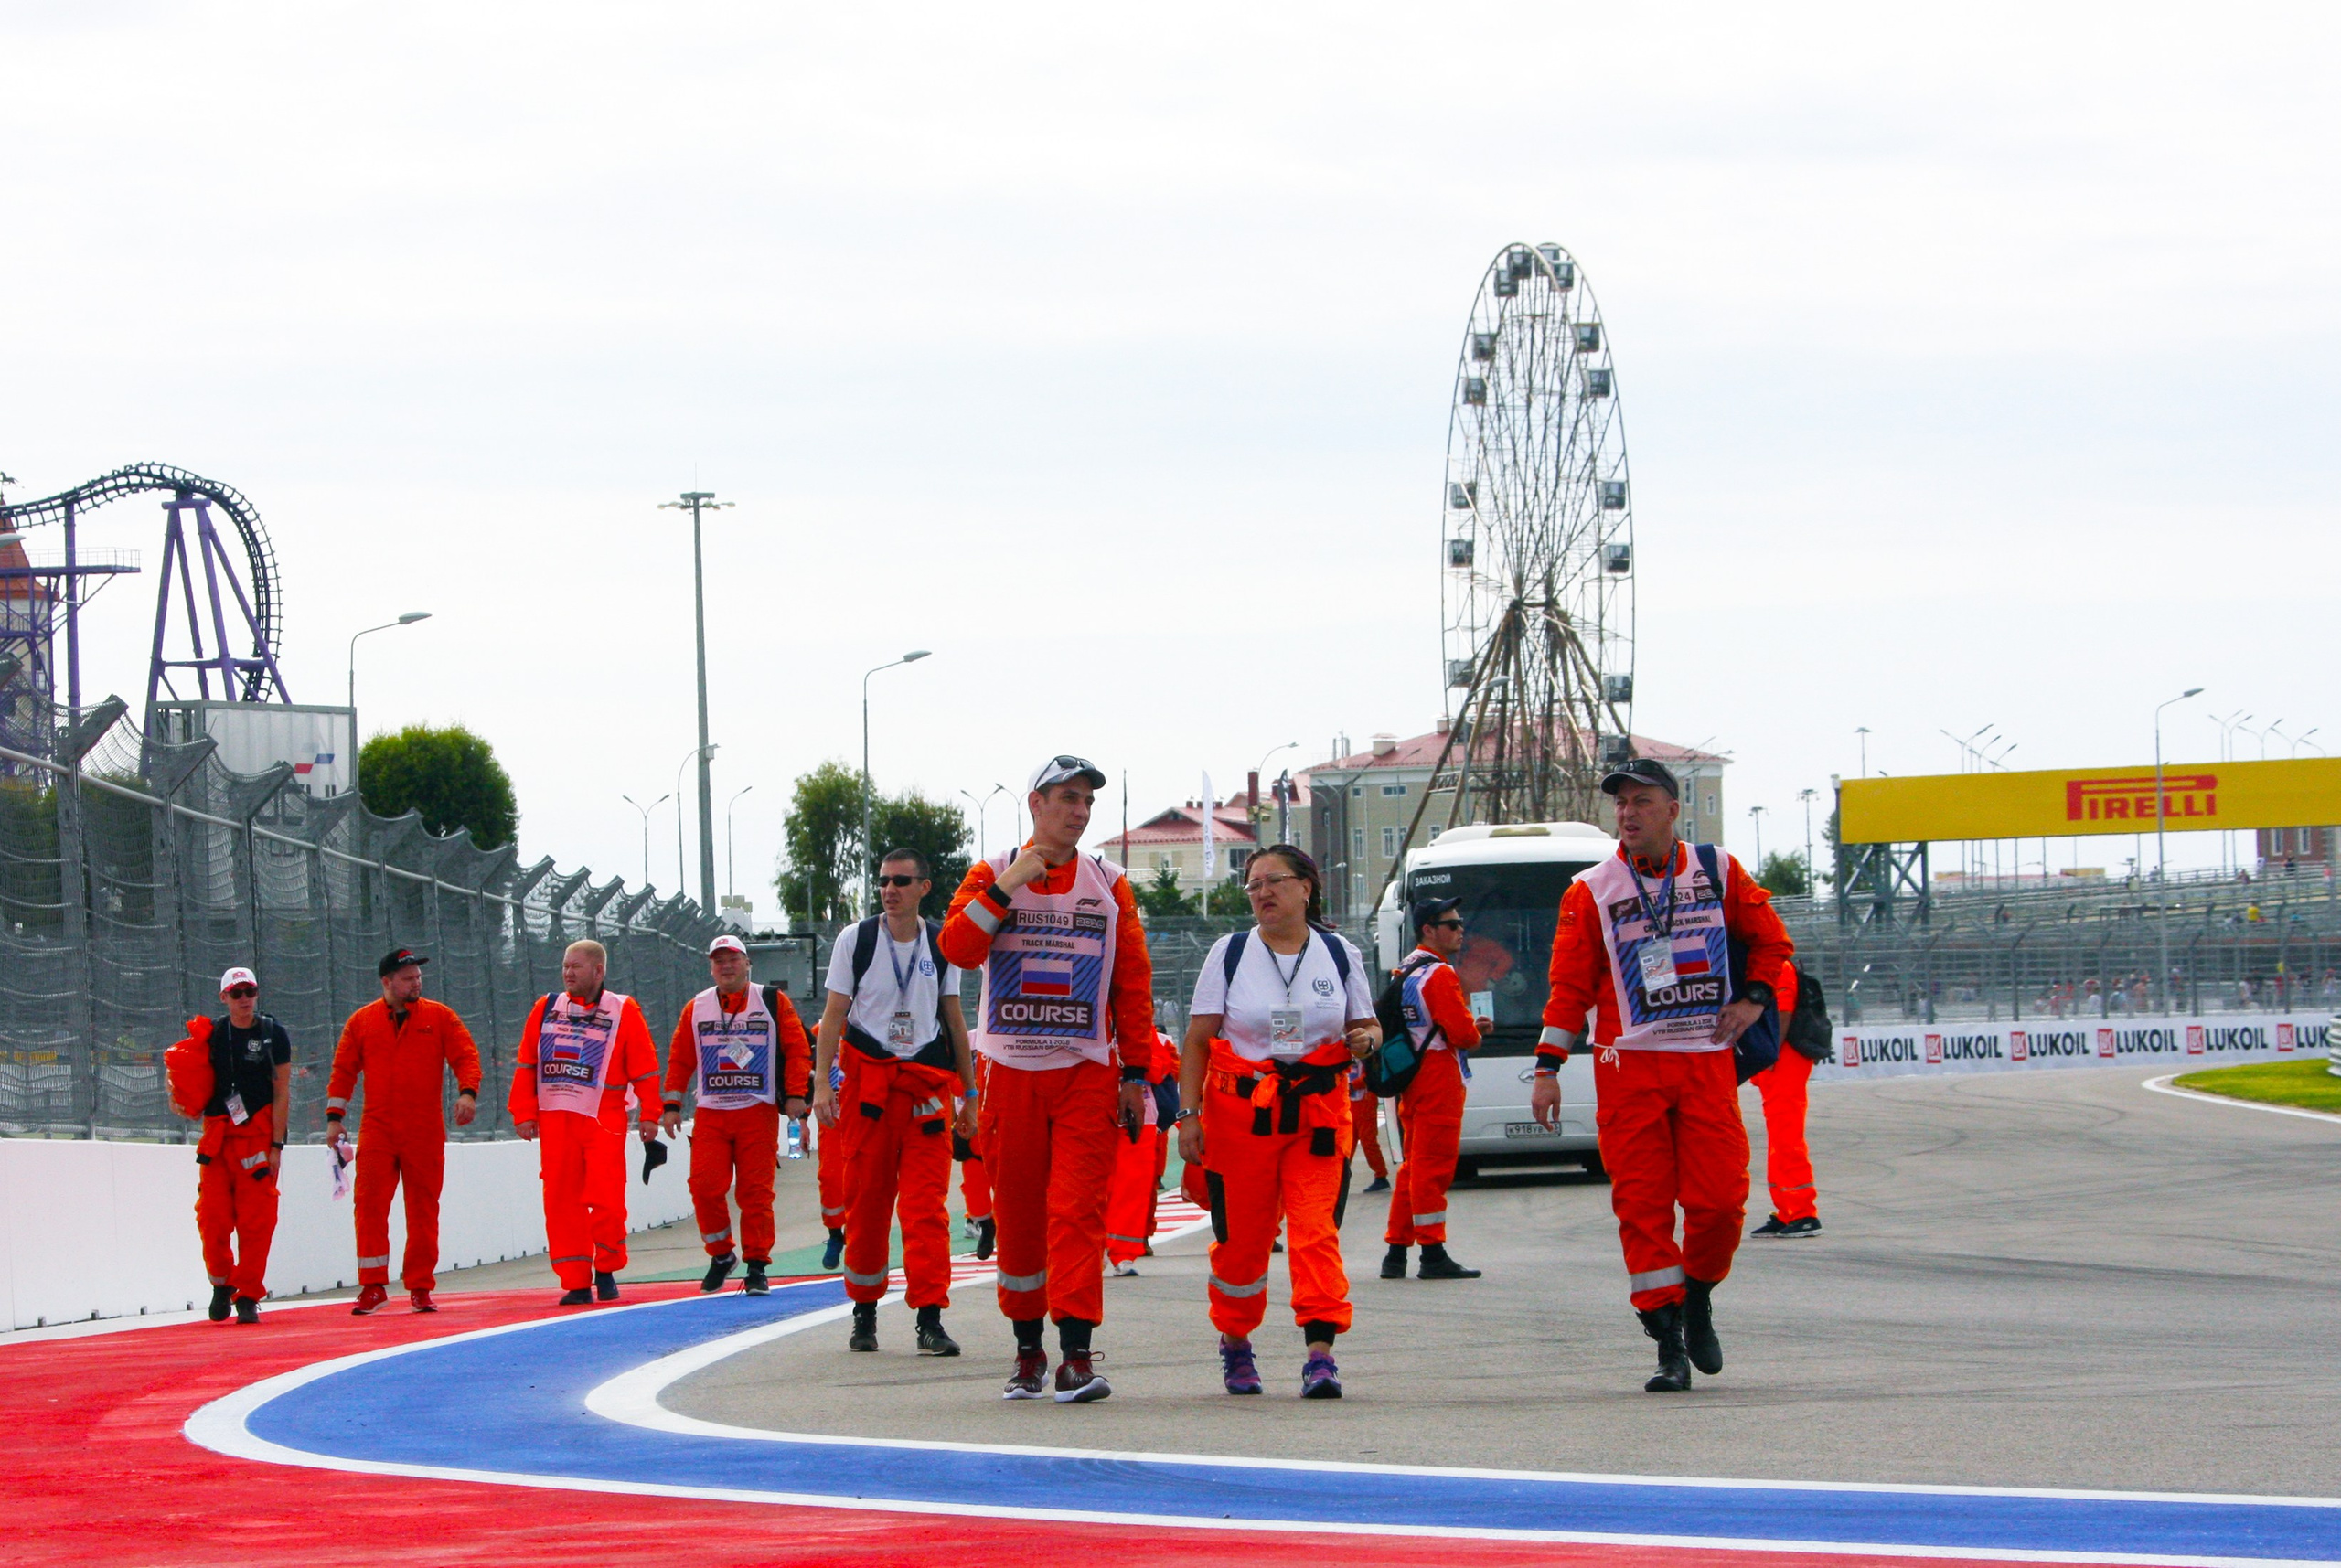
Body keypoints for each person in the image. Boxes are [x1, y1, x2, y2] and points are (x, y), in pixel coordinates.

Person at [1530, 757, 1791, 1393]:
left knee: (1721, 1202)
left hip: (1705, 1061)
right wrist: (1548, 1066)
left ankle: (1698, 1293)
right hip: (1628, 1068)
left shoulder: (1719, 869)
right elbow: (1568, 988)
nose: (1628, 813)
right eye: (1620, 804)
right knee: (1642, 1210)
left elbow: (1773, 944)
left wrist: (1753, 997)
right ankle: (1667, 1341)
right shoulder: (1589, 889)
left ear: (1673, 811)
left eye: (1642, 801)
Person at [940, 754, 1157, 1403]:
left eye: (1087, 801)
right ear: (1035, 803)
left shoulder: (1111, 882)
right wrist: (1006, 887)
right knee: (1021, 1216)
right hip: (1009, 1071)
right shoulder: (990, 871)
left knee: (1078, 1213)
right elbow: (955, 949)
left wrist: (1137, 1073)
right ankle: (1027, 1352)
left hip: (1087, 1073)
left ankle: (1077, 1355)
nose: (1080, 811)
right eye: (1068, 798)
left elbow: (1133, 983)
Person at [1179, 845, 1379, 1399]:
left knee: (1316, 1232)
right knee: (1242, 1244)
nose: (1262, 892)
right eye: (1253, 884)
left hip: (1317, 1116)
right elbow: (1197, 1040)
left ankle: (1320, 1356)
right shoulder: (1230, 952)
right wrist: (1188, 1116)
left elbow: (1367, 1025)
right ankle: (1236, 1342)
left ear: (1306, 889)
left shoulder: (1340, 953)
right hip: (1240, 1118)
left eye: (1274, 881)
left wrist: (1366, 1039)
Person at [813, 848, 978, 1356]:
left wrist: (969, 1095)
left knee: (927, 1210)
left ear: (924, 887)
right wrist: (821, 1085)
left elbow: (953, 1021)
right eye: (883, 880)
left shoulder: (942, 944)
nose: (890, 889)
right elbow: (835, 1015)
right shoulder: (855, 940)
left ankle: (930, 1317)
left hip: (925, 1090)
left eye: (902, 880)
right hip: (867, 1091)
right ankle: (864, 1312)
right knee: (866, 1205)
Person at [326, 948, 483, 1315]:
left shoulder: (439, 1016)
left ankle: (420, 1286)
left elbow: (466, 1055)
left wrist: (467, 1093)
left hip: (424, 1127)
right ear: (387, 982)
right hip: (377, 1126)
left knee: (423, 1209)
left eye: (418, 977)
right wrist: (335, 1116)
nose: (416, 983)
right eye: (408, 978)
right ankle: (373, 1286)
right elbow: (343, 1070)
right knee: (369, 1206)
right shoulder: (362, 1022)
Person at [509, 940, 663, 1305]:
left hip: (603, 1119)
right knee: (561, 1200)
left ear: (598, 970)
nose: (568, 973)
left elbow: (645, 1067)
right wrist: (524, 1112)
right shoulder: (545, 1008)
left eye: (576, 966)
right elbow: (527, 1063)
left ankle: (606, 1270)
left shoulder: (623, 1010)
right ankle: (576, 1280)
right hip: (556, 1121)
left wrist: (651, 1114)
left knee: (607, 1198)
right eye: (565, 966)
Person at [662, 933, 813, 1296]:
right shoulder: (696, 1007)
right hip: (711, 1112)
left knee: (755, 1194)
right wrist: (670, 1105)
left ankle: (757, 1265)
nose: (726, 966)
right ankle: (721, 1254)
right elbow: (681, 1058)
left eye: (733, 959)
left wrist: (795, 1096)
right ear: (711, 968)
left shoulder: (772, 1001)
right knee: (704, 1186)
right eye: (719, 961)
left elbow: (797, 1050)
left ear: (747, 964)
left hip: (756, 1110)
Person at [172, 966, 292, 1324]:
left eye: (249, 992)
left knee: (257, 1222)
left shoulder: (273, 1034)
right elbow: (182, 1077)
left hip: (256, 1136)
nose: (244, 1000)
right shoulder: (211, 1035)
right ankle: (221, 1285)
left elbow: (282, 1092)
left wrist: (276, 1146)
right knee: (212, 1219)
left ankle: (248, 1296)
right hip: (217, 1139)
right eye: (236, 993)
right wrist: (178, 1097)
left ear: (256, 995)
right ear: (223, 997)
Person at [1380, 895, 1489, 1282]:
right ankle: (1432, 1251)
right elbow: (1462, 1034)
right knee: (1433, 1166)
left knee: (1413, 1164)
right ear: (1429, 930)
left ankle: (1396, 1251)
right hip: (1439, 1073)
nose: (1460, 931)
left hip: (1412, 1075)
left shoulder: (1405, 969)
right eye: (1452, 925)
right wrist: (1476, 1032)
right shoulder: (1440, 973)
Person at [1748, 962, 1820, 1239]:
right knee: (1779, 1138)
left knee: (1787, 1137)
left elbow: (1784, 1013)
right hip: (1777, 1062)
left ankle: (1804, 1214)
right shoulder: (1768, 966)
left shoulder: (1779, 966)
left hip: (1784, 1061)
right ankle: (1786, 1211)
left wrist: (1770, 1055)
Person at [1351, 1063, 1390, 1194]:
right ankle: (1340, 1176)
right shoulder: (1340, 1050)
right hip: (1349, 1101)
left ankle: (1381, 1175)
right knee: (1345, 1143)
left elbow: (1372, 1075)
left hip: (1365, 1101)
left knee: (1368, 1141)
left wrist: (1353, 1085)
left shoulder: (1367, 1053)